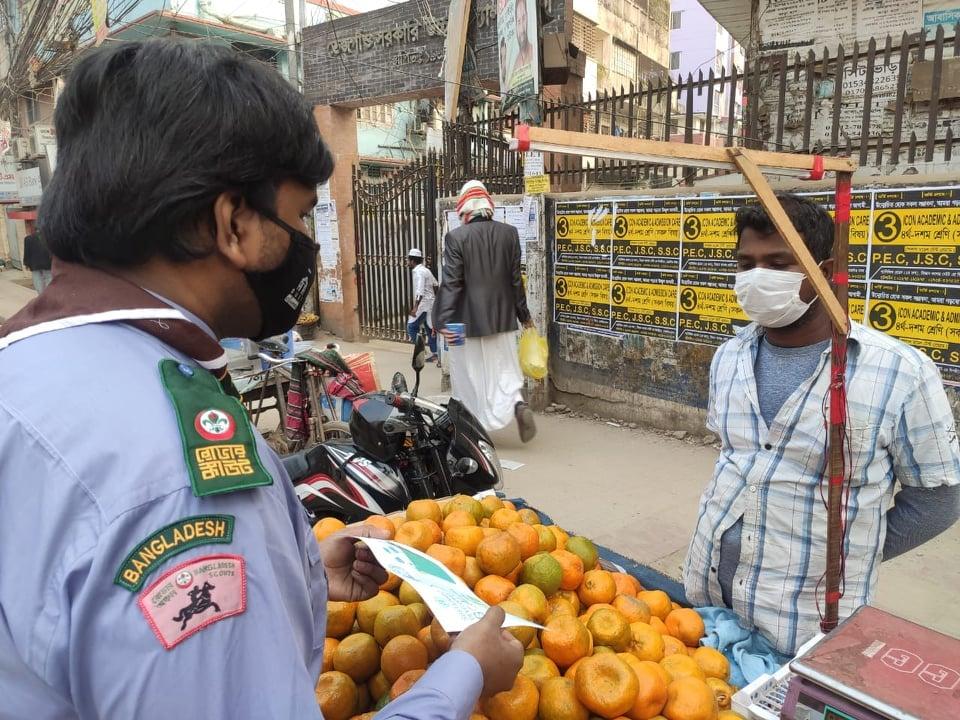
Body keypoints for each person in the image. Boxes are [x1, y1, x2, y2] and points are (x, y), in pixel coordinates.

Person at [0, 39, 523, 719]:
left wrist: (292, 568)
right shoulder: (179, 475)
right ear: (233, 222)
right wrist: (462, 678)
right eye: (302, 216)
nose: (304, 244)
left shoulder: (24, 369)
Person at [683, 193, 960, 656]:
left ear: (826, 270)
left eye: (778, 262)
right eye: (746, 264)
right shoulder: (728, 357)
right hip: (706, 605)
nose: (757, 278)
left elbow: (938, 498)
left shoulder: (898, 373)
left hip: (807, 627)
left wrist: (850, 554)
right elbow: (735, 461)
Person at [435, 180, 536, 443]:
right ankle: (516, 406)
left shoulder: (456, 237)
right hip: (503, 320)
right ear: (487, 203)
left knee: (469, 376)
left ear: (464, 205)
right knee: (503, 370)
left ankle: (473, 429)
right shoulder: (509, 233)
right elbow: (516, 281)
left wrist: (441, 318)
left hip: (463, 324)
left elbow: (452, 282)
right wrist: (524, 317)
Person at [407, 247, 438, 362]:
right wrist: (435, 299)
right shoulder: (426, 270)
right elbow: (436, 284)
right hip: (430, 303)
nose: (408, 262)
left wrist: (415, 307)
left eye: (408, 260)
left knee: (411, 327)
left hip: (423, 304)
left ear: (413, 261)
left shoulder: (419, 272)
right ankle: (435, 353)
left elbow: (419, 291)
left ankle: (421, 350)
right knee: (430, 328)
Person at [22, 229, 52, 293]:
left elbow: (26, 252)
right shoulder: (49, 238)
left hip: (34, 264)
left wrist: (26, 263)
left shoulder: (28, 239)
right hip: (47, 263)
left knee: (37, 280)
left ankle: (41, 294)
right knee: (48, 278)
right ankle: (48, 294)